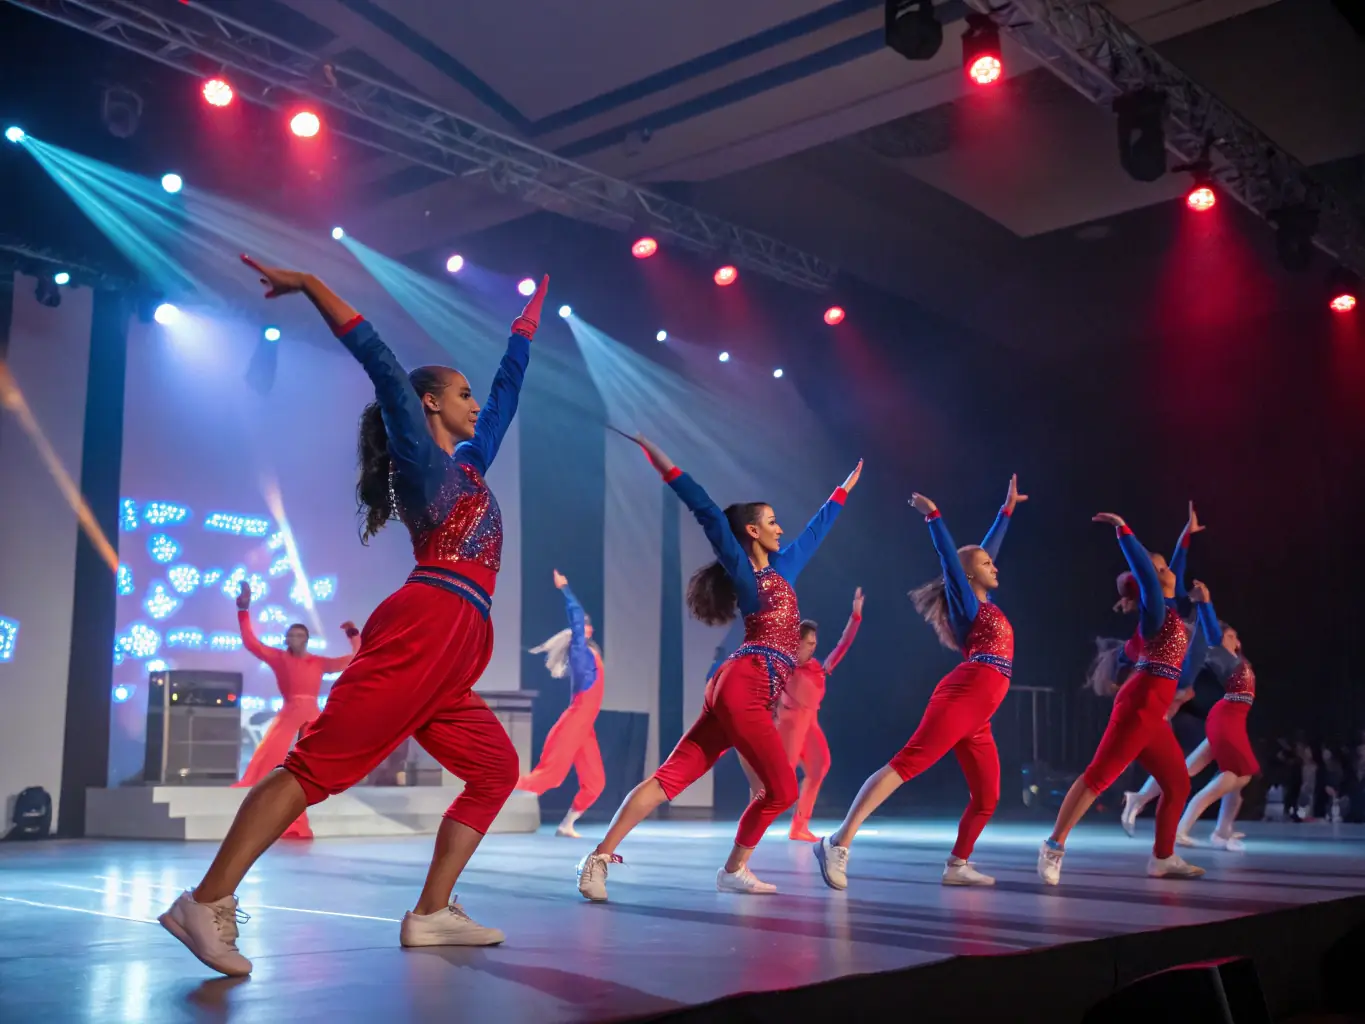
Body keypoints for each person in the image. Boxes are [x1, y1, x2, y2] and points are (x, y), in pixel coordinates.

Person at [159, 255, 547, 976]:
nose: (473, 404)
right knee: (314, 770)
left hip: (458, 639)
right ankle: (204, 901)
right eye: (460, 394)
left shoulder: (468, 465)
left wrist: (523, 333)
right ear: (428, 403)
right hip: (427, 624)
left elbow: (504, 399)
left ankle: (431, 912)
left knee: (495, 769)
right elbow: (379, 361)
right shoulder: (420, 462)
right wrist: (311, 285)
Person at [576, 434, 860, 899]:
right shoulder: (745, 572)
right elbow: (705, 510)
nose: (780, 528)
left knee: (670, 779)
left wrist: (843, 489)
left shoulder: (785, 568)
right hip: (745, 682)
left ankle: (597, 859)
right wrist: (663, 463)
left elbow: (816, 530)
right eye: (771, 522)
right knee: (782, 791)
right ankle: (732, 870)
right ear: (751, 531)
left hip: (737, 685)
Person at [817, 476, 1025, 890]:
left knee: (987, 797)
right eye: (986, 565)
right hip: (963, 695)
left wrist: (1006, 512)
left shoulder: (984, 601)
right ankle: (837, 842)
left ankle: (957, 864)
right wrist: (934, 517)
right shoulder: (968, 605)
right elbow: (953, 559)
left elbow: (982, 553)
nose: (995, 566)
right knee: (907, 764)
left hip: (979, 712)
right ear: (968, 576)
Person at [1038, 514, 1206, 884]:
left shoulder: (1169, 606)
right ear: (1150, 578)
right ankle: (1053, 846)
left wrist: (1185, 535)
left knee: (1177, 784)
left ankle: (1163, 858)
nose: (1167, 569)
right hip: (1139, 705)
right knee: (1097, 777)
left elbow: (1173, 569)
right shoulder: (1155, 612)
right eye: (1159, 567)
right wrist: (1124, 532)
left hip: (1154, 713)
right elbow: (1147, 572)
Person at [232, 581, 361, 839]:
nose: (295, 639)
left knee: (317, 757)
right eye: (291, 635)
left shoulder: (318, 662)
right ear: (286, 639)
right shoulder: (279, 658)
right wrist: (244, 610)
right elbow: (251, 642)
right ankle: (273, 806)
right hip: (289, 713)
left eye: (300, 635)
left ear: (307, 639)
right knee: (272, 756)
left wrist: (353, 635)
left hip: (311, 714)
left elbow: (353, 659)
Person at [516, 569, 606, 838]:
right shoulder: (579, 652)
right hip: (575, 721)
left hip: (585, 727)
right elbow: (576, 617)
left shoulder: (591, 653)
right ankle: (493, 784)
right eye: (584, 625)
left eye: (588, 624)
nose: (587, 627)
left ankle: (567, 824)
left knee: (595, 783)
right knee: (548, 778)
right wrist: (565, 589)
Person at [1174, 582, 1258, 849]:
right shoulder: (1224, 658)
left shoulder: (1238, 661)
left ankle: (1222, 830)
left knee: (1239, 779)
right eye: (1229, 636)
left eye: (1235, 636)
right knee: (1232, 777)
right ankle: (1181, 829)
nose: (1234, 639)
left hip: (1234, 719)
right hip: (1226, 719)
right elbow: (1211, 631)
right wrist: (1205, 602)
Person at [779, 588, 863, 842]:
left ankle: (799, 826)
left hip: (810, 725)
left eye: (815, 642)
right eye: (809, 642)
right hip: (789, 726)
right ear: (796, 644)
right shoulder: (784, 666)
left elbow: (843, 645)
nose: (814, 646)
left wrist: (855, 616)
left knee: (819, 766)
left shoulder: (818, 668)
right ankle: (753, 823)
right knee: (778, 782)